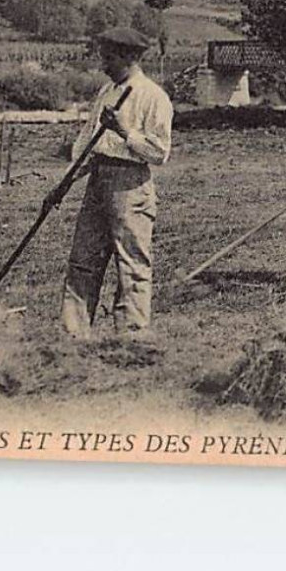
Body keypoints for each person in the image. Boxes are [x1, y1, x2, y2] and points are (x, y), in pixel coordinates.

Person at [53, 26, 173, 339]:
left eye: (110, 57)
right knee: (83, 260)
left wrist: (124, 132)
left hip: (130, 184)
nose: (103, 63)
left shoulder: (153, 97)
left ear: (131, 56)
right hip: (97, 180)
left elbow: (160, 153)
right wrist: (65, 183)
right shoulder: (105, 92)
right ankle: (73, 335)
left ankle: (131, 338)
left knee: (131, 262)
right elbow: (87, 144)